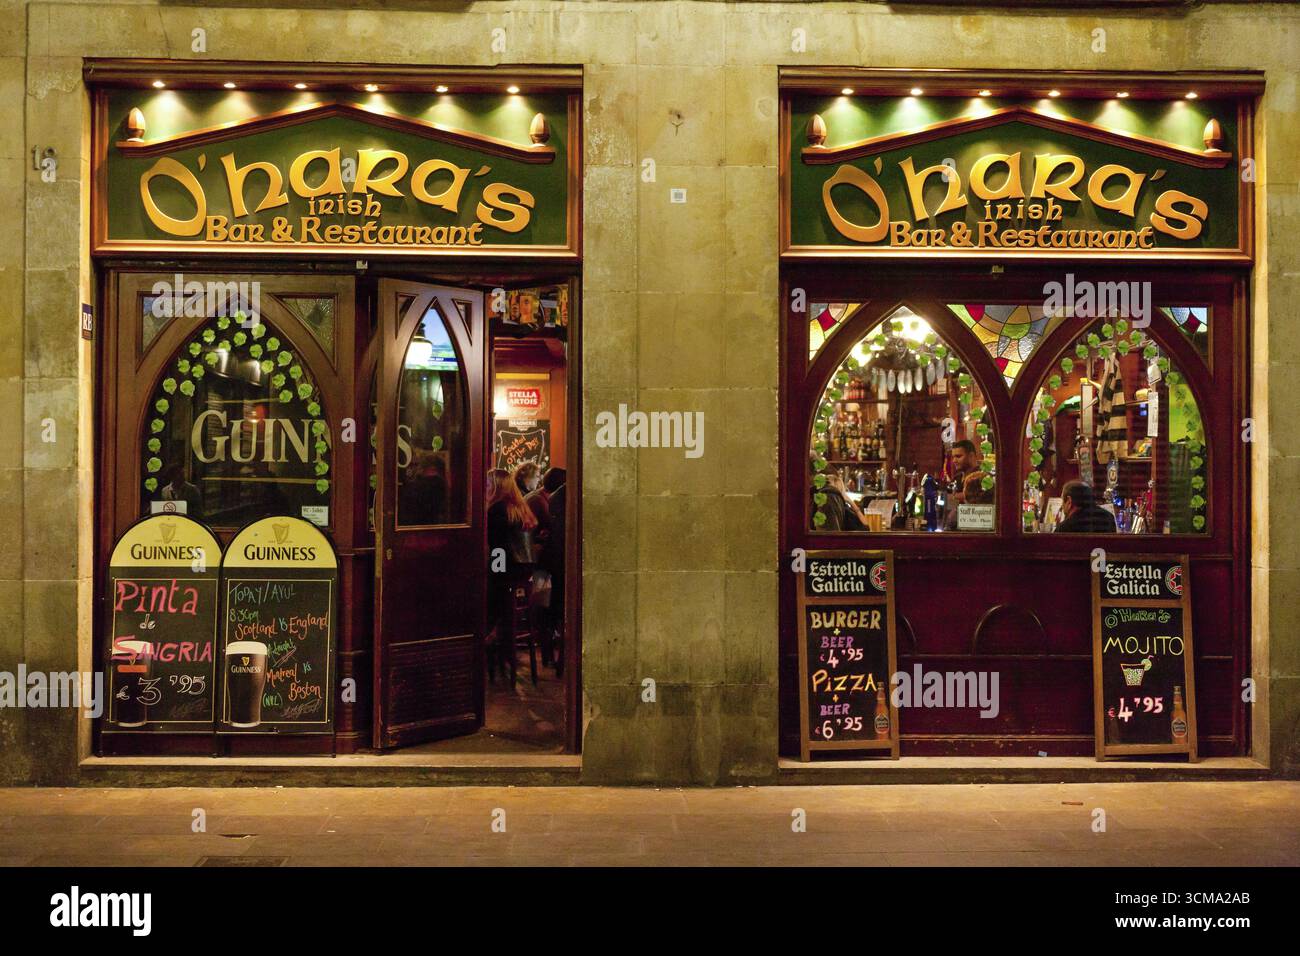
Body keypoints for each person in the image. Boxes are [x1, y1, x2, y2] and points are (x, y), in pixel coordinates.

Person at [486, 468, 538, 683]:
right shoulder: (519, 507)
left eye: (488, 484)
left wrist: (493, 571)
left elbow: (497, 549)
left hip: (507, 570)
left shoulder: (497, 509)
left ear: (497, 486)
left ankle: (490, 637)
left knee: (486, 593)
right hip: (524, 570)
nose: (486, 488)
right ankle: (500, 637)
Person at [539, 468, 566, 671]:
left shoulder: (554, 498)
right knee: (552, 606)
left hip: (547, 563)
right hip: (556, 565)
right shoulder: (562, 496)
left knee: (548, 607)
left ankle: (548, 652)